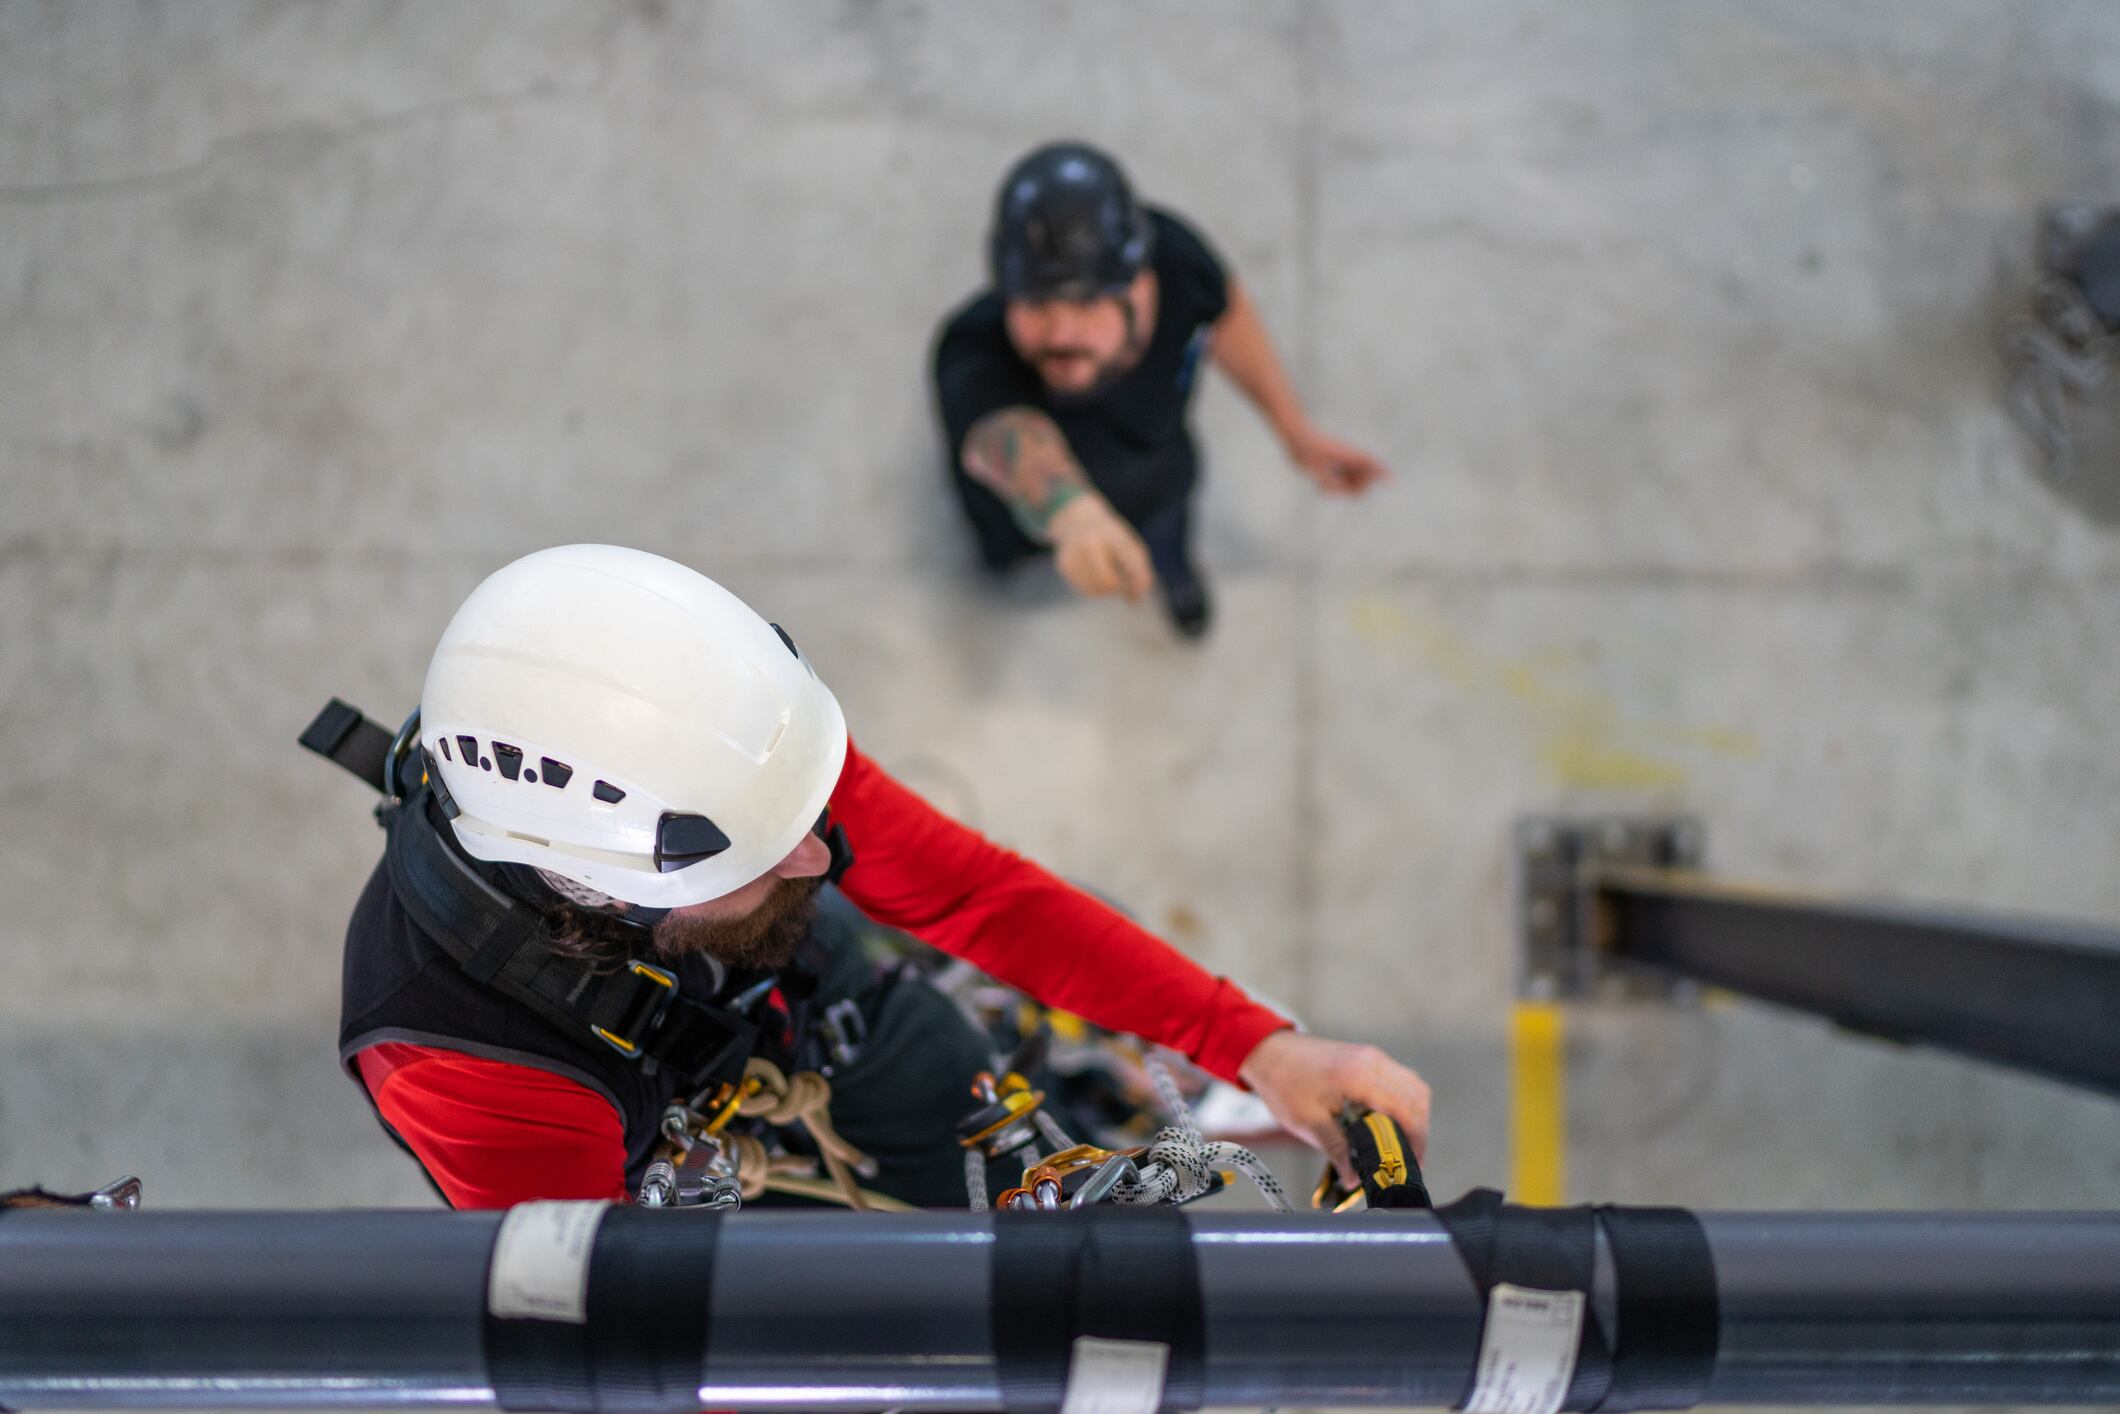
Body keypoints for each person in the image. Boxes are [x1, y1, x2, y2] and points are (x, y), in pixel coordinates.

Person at [326, 544, 1430, 1209]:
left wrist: (1256, 1043)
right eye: (766, 856)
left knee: (1029, 1156)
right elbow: (622, 1345)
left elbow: (975, 897)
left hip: (806, 1017)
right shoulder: (464, 1066)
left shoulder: (731, 760)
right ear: (607, 894)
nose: (823, 854)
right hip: (671, 1180)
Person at [933, 141, 1389, 638]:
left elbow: (1226, 316)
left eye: (1086, 302)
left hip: (1159, 488)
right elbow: (1005, 434)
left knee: (1168, 545)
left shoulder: (1176, 261)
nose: (1060, 333)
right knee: (1011, 573)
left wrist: (1293, 428)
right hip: (1024, 522)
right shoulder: (970, 346)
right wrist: (1075, 516)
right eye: (1035, 303)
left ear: (1139, 284)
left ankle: (1176, 582)